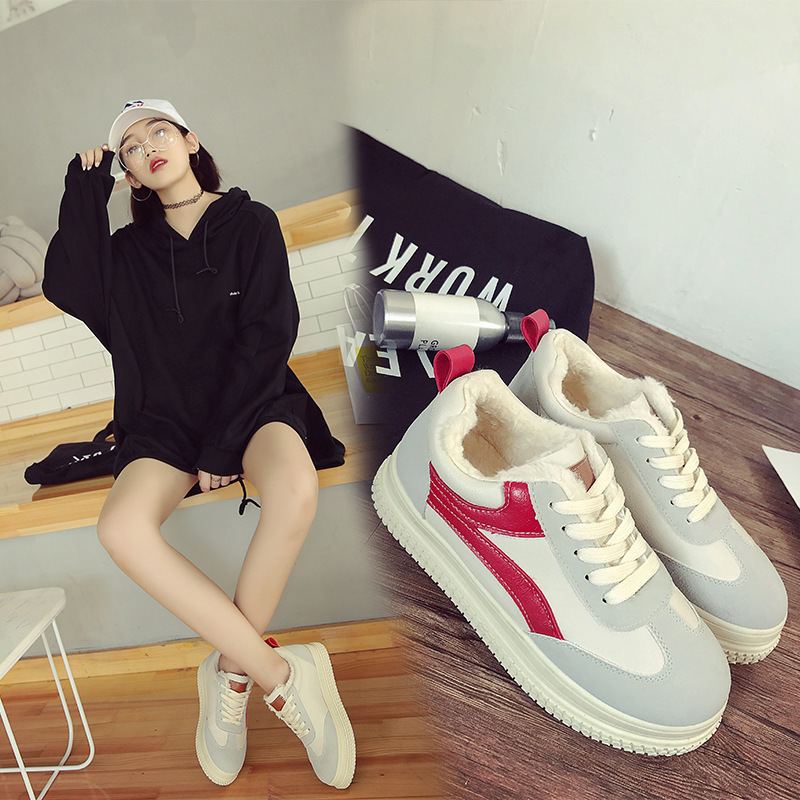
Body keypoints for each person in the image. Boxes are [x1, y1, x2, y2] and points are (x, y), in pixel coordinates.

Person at [43, 99, 356, 791]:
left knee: (294, 487)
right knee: (121, 528)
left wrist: (222, 445)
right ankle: (282, 677)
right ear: (128, 174)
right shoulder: (125, 254)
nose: (146, 145)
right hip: (162, 418)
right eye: (129, 147)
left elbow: (269, 334)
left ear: (189, 140)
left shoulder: (252, 221)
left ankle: (230, 675)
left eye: (158, 130)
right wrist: (83, 189)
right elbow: (66, 283)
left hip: (254, 403)